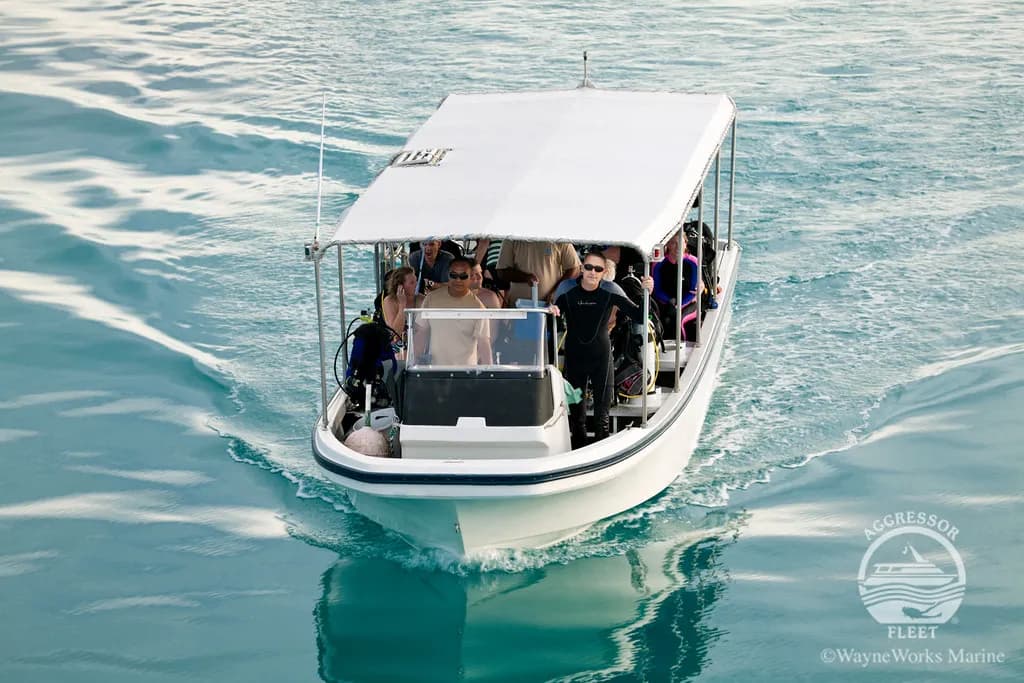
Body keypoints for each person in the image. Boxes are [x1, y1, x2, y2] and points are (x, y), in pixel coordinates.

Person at [554, 250, 653, 449]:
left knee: (602, 417)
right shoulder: (567, 295)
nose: (592, 272)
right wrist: (552, 312)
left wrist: (646, 293)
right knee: (577, 418)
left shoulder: (609, 294)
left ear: (603, 272)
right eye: (588, 267)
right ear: (582, 268)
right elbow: (554, 321)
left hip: (601, 360)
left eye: (598, 269)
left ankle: (601, 454)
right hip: (575, 361)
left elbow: (639, 316)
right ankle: (577, 456)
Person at [416, 256, 493, 366]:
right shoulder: (431, 298)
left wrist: (489, 375)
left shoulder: (478, 307)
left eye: (463, 276)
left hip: (465, 374)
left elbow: (484, 344)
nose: (458, 280)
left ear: (471, 277)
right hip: (435, 371)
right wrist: (413, 363)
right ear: (448, 275)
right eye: (454, 275)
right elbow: (421, 333)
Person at [652, 231, 701, 342]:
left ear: (686, 243)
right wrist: (670, 302)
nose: (678, 247)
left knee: (679, 320)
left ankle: (681, 348)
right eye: (674, 243)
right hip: (666, 302)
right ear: (668, 245)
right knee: (664, 320)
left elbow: (693, 291)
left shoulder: (693, 262)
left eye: (681, 242)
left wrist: (680, 305)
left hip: (689, 303)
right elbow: (657, 289)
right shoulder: (659, 263)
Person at [497, 240, 579, 305]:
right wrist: (525, 277)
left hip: (551, 308)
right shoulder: (512, 237)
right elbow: (501, 272)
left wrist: (556, 291)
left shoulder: (557, 236)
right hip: (519, 309)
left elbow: (574, 269)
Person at [380, 266, 423, 358]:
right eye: (412, 283)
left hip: (418, 346)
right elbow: (395, 334)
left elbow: (425, 330)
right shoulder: (389, 301)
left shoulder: (421, 300)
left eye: (415, 280)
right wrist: (402, 306)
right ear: (400, 286)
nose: (416, 284)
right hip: (397, 346)